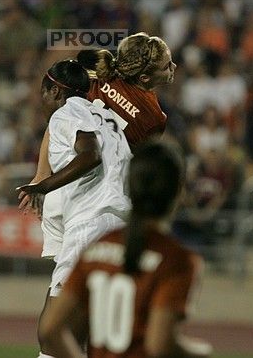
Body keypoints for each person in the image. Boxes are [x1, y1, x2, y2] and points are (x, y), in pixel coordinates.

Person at [38, 139, 211, 358]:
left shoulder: (97, 248)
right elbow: (160, 344)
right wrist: (200, 352)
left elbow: (50, 327)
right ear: (177, 191)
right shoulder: (177, 260)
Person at [22, 32, 176, 261]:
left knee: (63, 282)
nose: (174, 66)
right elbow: (127, 165)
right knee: (86, 282)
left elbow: (60, 122)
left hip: (61, 187)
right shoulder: (154, 118)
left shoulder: (98, 76)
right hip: (95, 200)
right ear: (144, 77)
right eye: (166, 65)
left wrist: (41, 176)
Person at [17, 59, 132, 358]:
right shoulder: (107, 117)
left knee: (53, 331)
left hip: (90, 225)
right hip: (117, 226)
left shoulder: (66, 113)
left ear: (54, 91)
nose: (42, 100)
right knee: (80, 335)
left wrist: (45, 185)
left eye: (44, 92)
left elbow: (89, 155)